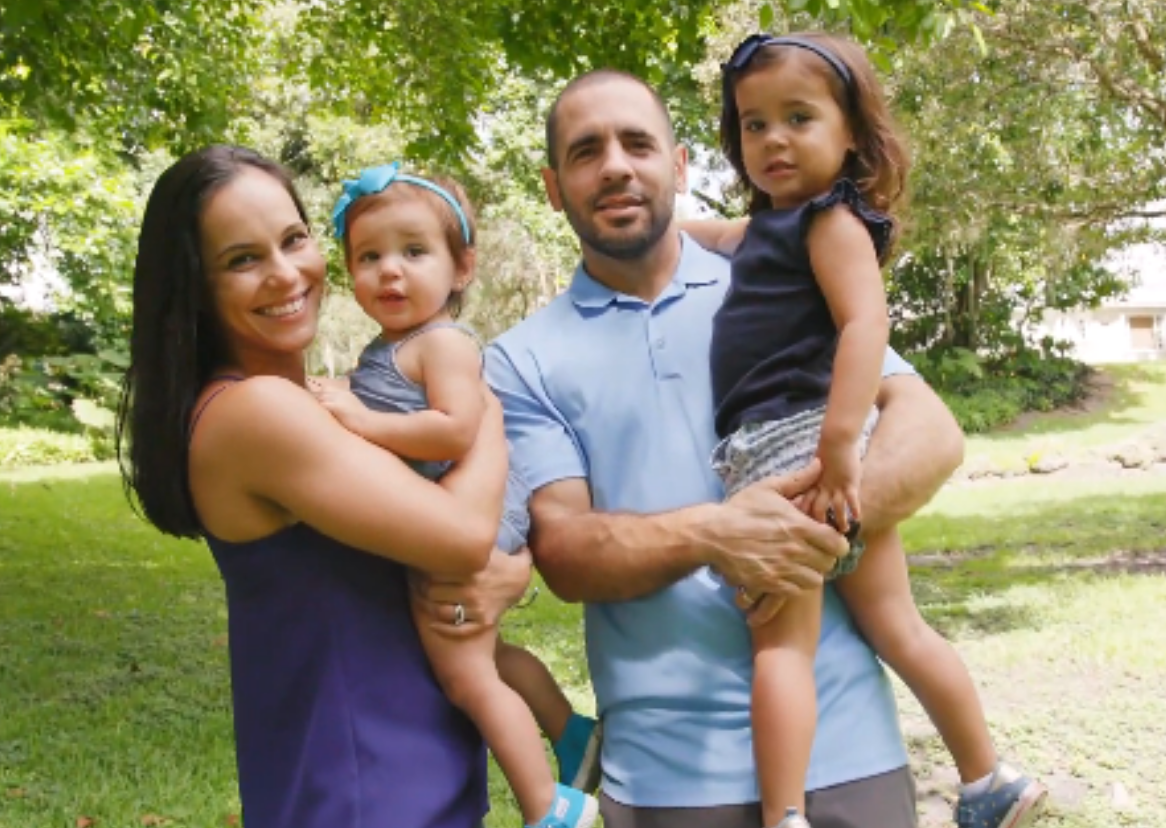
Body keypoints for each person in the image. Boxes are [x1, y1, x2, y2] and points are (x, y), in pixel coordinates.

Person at [477, 68, 956, 828]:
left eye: (638, 142)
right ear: (552, 186)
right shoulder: (520, 359)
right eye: (585, 151)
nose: (615, 166)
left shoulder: (777, 275)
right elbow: (564, 552)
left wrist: (808, 527)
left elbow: (932, 433)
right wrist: (717, 531)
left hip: (848, 750)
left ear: (680, 164)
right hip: (666, 776)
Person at [116, 144, 533, 828]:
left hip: (407, 768)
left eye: (293, 240)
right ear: (197, 288)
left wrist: (510, 572)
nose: (286, 275)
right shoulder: (256, 413)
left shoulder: (306, 401)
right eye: (242, 260)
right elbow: (460, 539)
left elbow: (452, 553)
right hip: (360, 790)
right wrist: (480, 413)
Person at [691, 33, 1047, 828]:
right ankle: (988, 778)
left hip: (790, 444)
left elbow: (864, 325)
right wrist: (674, 227)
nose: (774, 139)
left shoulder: (830, 223)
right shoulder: (780, 227)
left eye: (798, 118)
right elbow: (725, 239)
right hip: (807, 441)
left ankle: (784, 816)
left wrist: (837, 452)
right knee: (897, 625)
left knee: (783, 650)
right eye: (753, 125)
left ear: (850, 132)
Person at [311, 160, 600, 828]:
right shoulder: (395, 347)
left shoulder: (441, 343)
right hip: (465, 506)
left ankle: (550, 806)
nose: (390, 270)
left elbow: (451, 430)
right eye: (370, 256)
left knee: (463, 675)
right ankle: (573, 734)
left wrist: (358, 417)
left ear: (461, 267)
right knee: (488, 656)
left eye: (414, 252)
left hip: (477, 509)